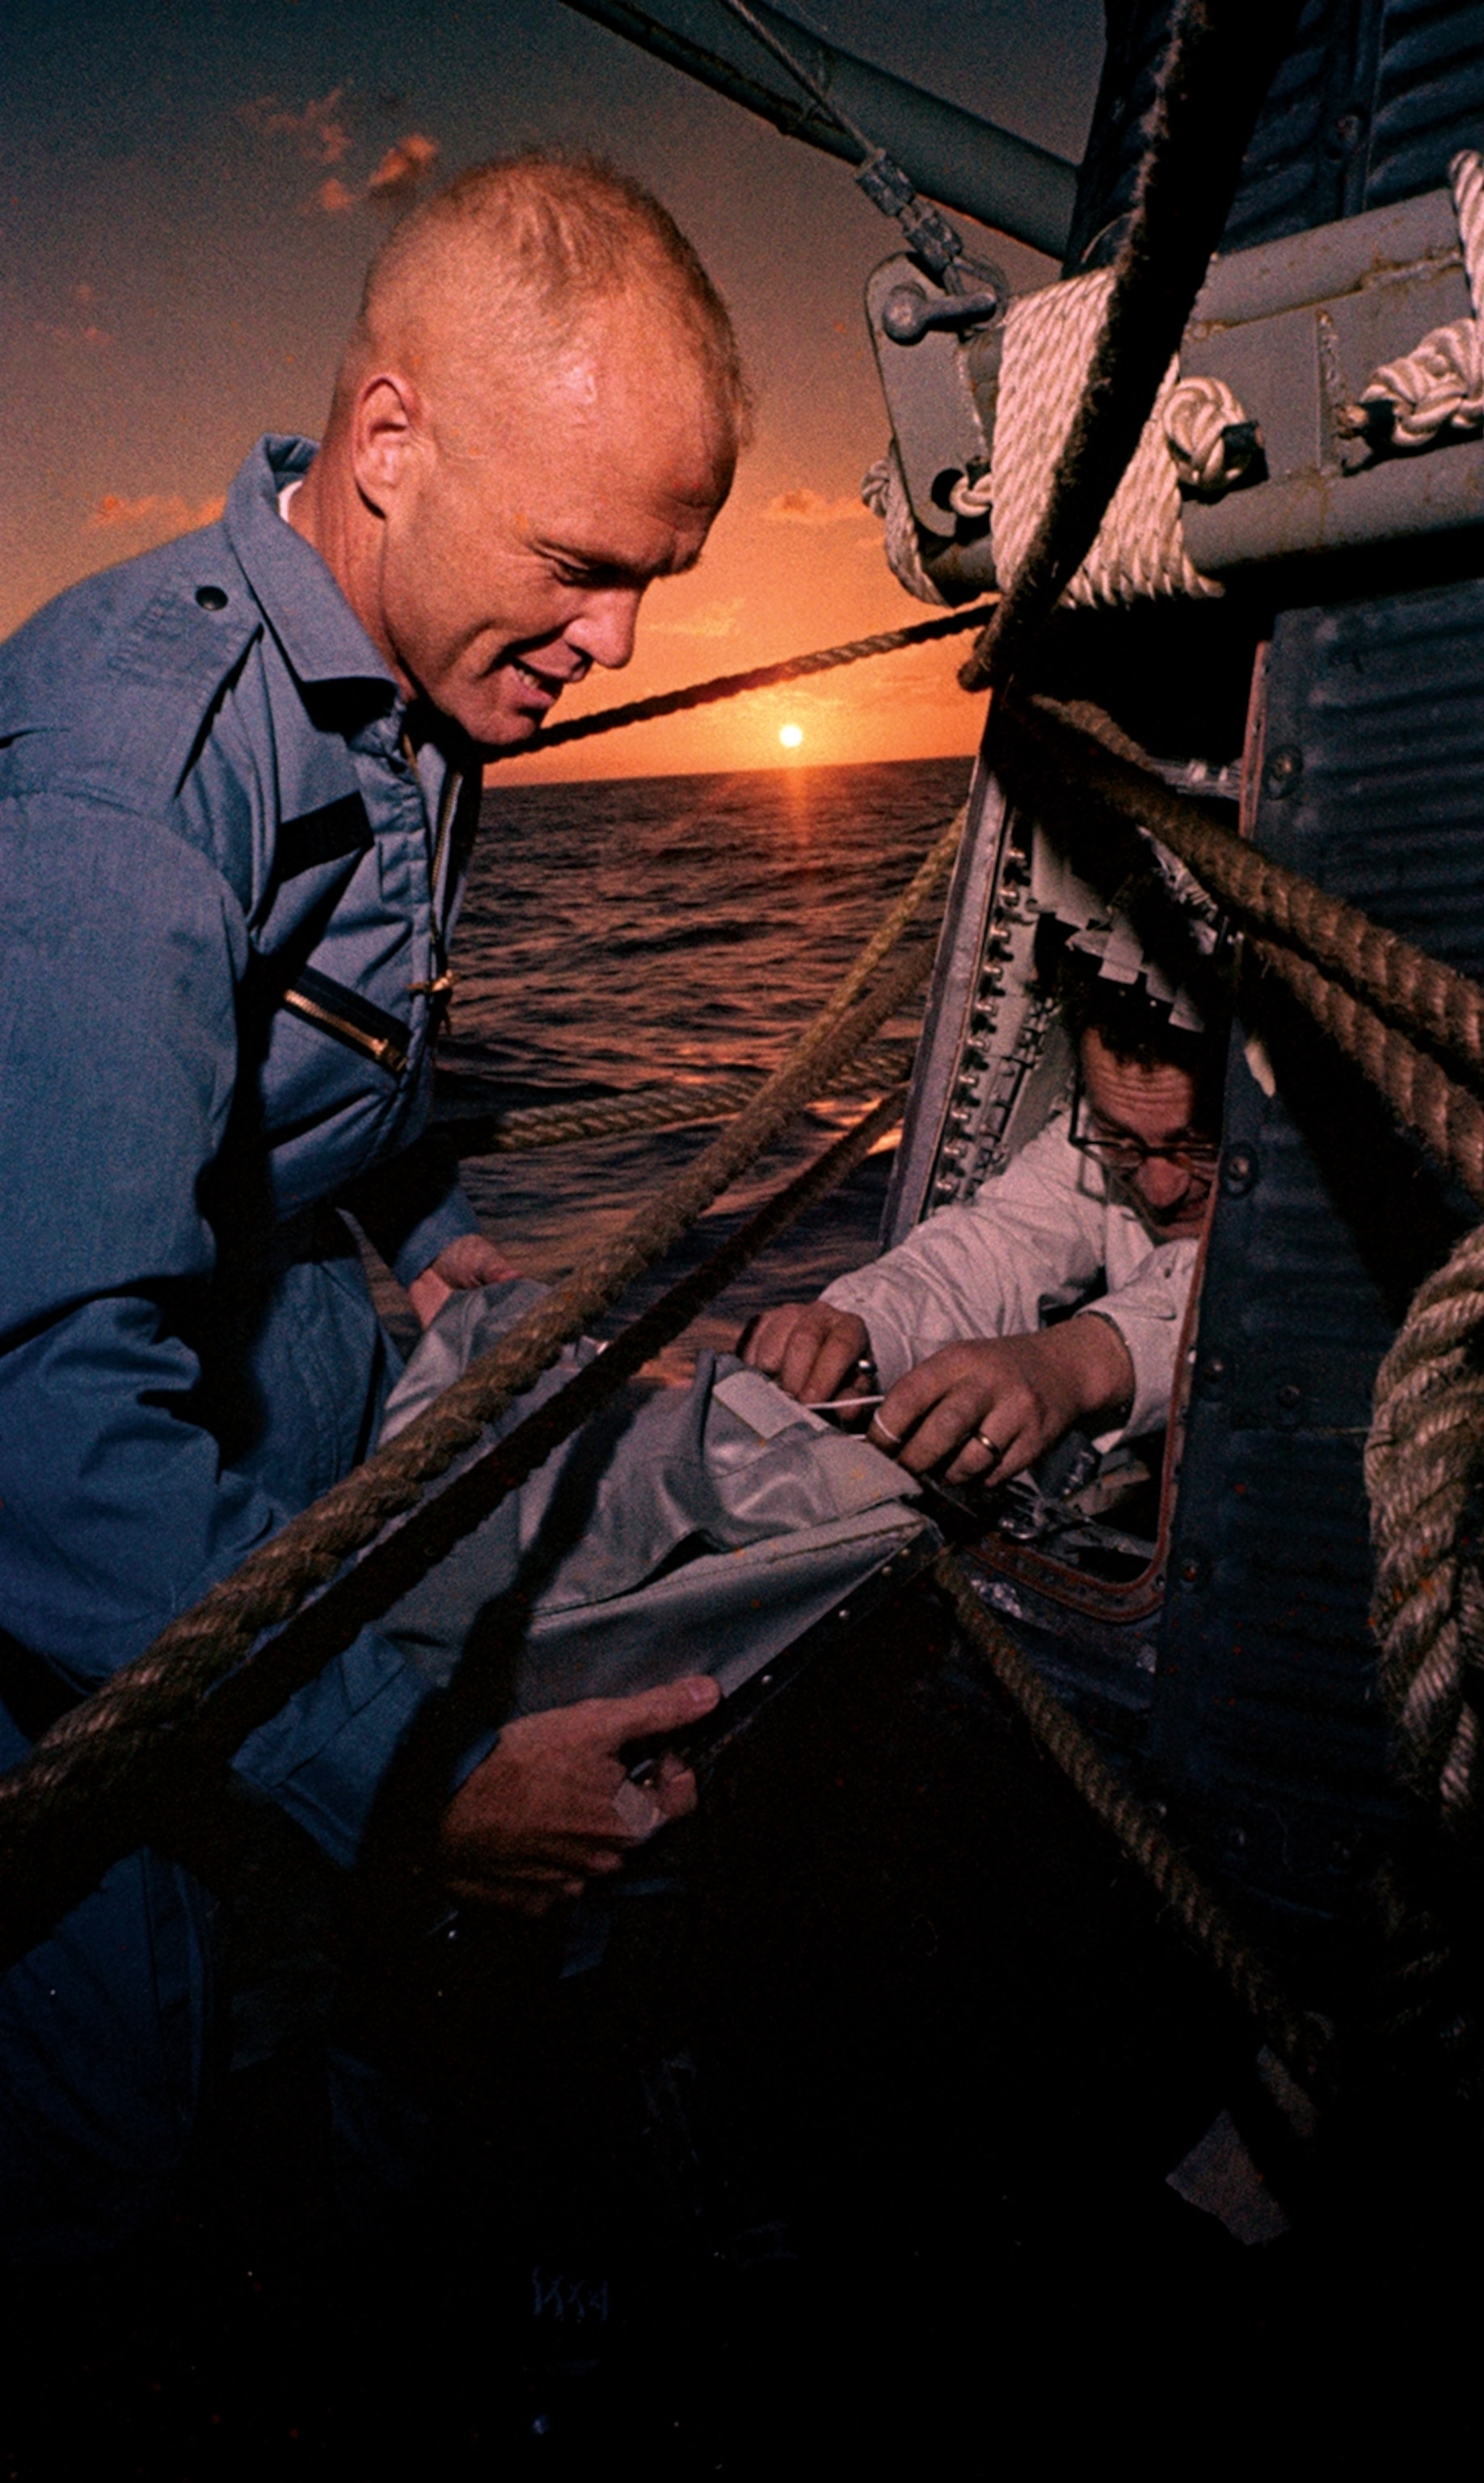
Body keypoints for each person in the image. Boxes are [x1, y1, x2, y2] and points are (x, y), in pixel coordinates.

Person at [0, 153, 746, 2258]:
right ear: (390, 444)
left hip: (271, 1469)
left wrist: (423, 1238)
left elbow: (313, 1050)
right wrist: (409, 1788)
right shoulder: (132, 778)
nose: (616, 640)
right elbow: (38, 1419)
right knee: (111, 2164)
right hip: (80, 1588)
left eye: (652, 581)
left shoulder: (414, 693)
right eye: (584, 566)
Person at [744, 950, 1223, 1486]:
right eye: (1120, 1139)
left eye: (1198, 1145)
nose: (1160, 1189)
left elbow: (1255, 1286)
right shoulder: (1092, 1140)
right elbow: (994, 1247)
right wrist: (860, 1332)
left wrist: (1072, 1365)